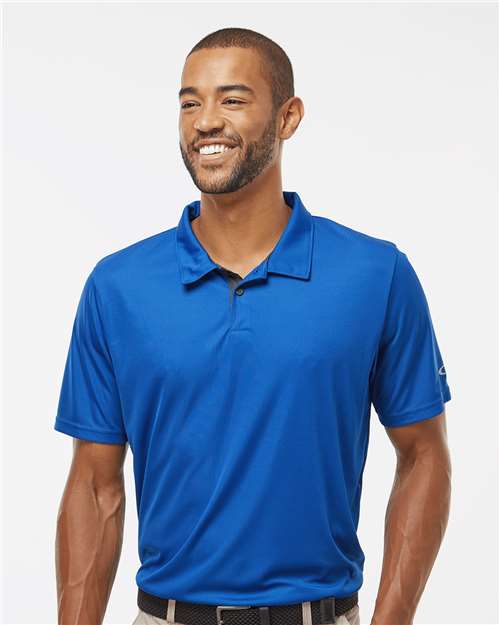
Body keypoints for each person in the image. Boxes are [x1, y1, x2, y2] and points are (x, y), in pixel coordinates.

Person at [53, 27, 452, 625]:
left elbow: (424, 455)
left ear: (288, 117)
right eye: (190, 102)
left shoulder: (376, 274)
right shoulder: (118, 287)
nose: (205, 121)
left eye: (232, 99)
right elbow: (94, 484)